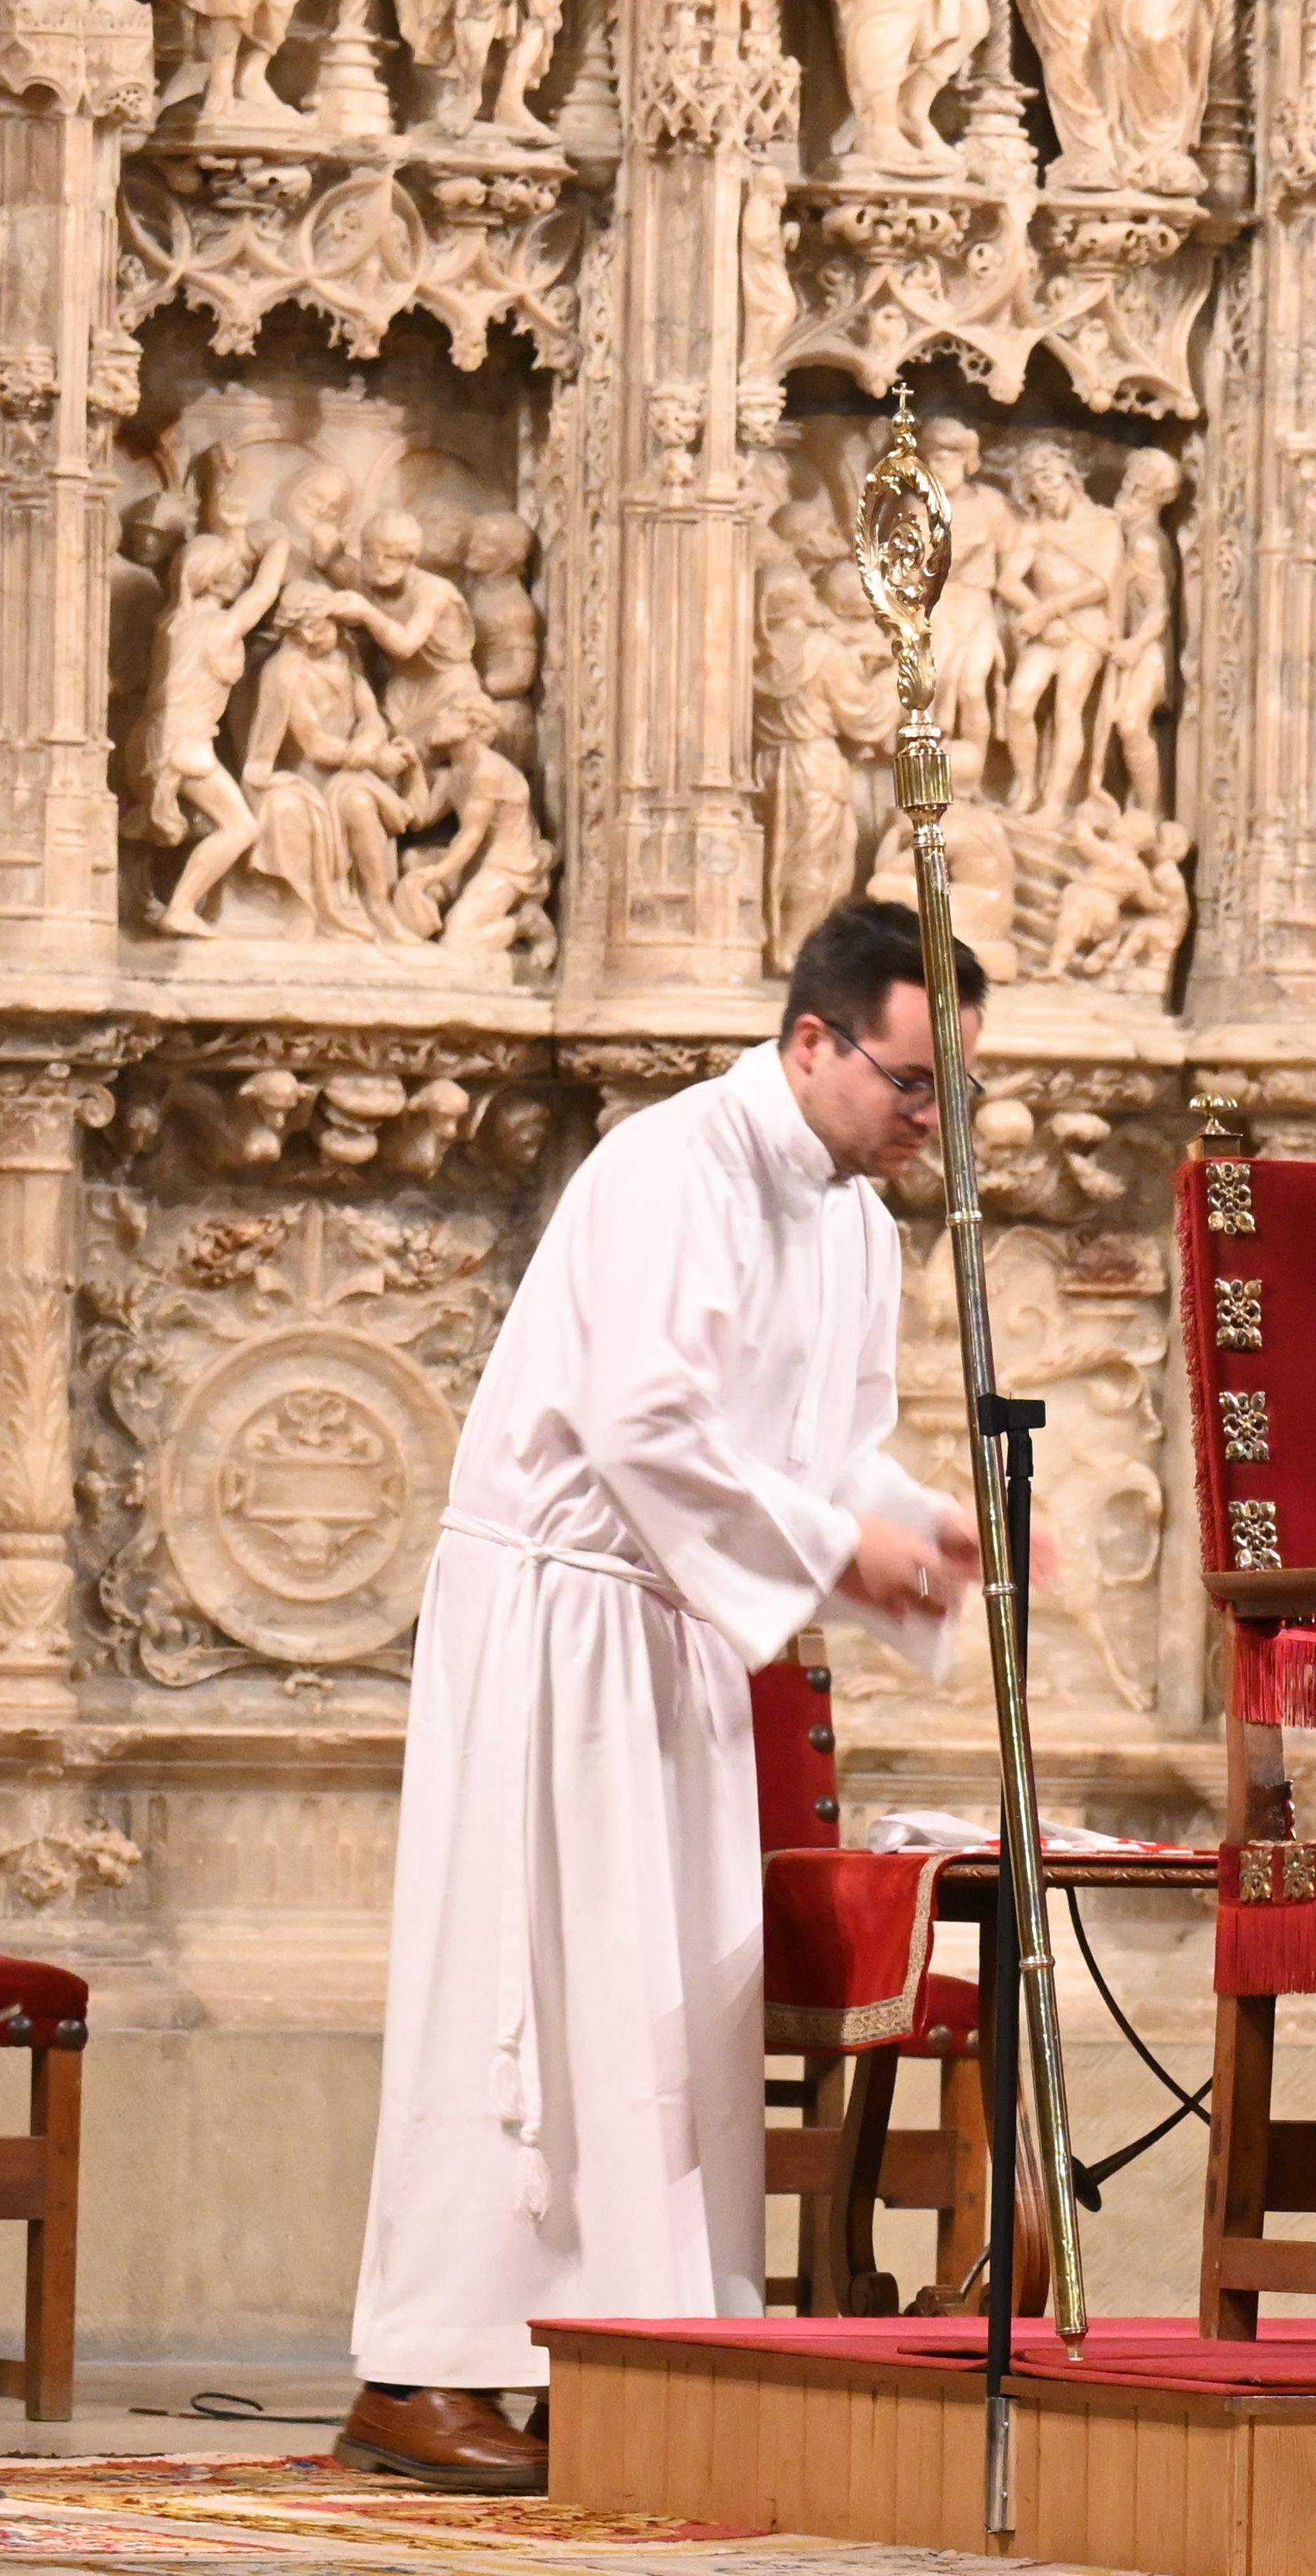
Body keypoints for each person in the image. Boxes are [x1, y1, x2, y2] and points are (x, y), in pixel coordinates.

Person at [337, 903, 989, 2491]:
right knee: (521, 1990)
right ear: (816, 1039)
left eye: (956, 1092)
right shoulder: (670, 1165)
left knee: (652, 2013)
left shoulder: (851, 1219)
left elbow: (828, 1450)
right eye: (915, 1083)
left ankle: (621, 2350)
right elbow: (645, 1420)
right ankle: (422, 2366)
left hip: (680, 1635)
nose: (934, 1123)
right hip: (560, 1611)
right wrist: (843, 1545)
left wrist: (914, 1528)